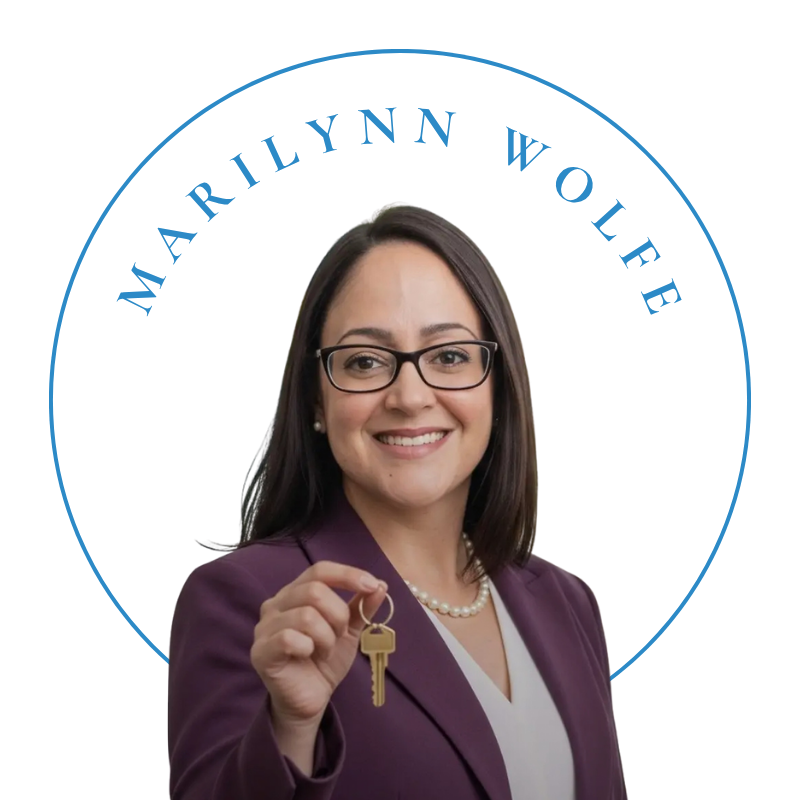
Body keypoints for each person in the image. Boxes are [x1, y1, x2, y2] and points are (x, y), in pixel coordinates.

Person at [167, 205, 627, 800]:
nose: (411, 396)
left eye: (450, 357)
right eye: (365, 362)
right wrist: (291, 729)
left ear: (498, 385)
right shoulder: (248, 602)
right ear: (316, 399)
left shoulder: (567, 604)